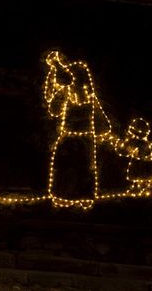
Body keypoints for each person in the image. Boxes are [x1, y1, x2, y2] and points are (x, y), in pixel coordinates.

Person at [42, 50, 114, 205]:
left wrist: (103, 129)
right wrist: (56, 85)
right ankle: (63, 196)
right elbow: (54, 110)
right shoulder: (66, 93)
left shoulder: (87, 96)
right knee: (67, 164)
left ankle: (83, 197)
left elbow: (97, 113)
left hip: (84, 135)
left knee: (84, 166)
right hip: (70, 134)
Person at [115, 117, 152, 197]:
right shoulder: (138, 142)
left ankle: (148, 190)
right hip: (139, 164)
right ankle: (139, 189)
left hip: (143, 164)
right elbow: (125, 152)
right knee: (139, 177)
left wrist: (142, 156)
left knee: (144, 177)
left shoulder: (143, 143)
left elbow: (151, 154)